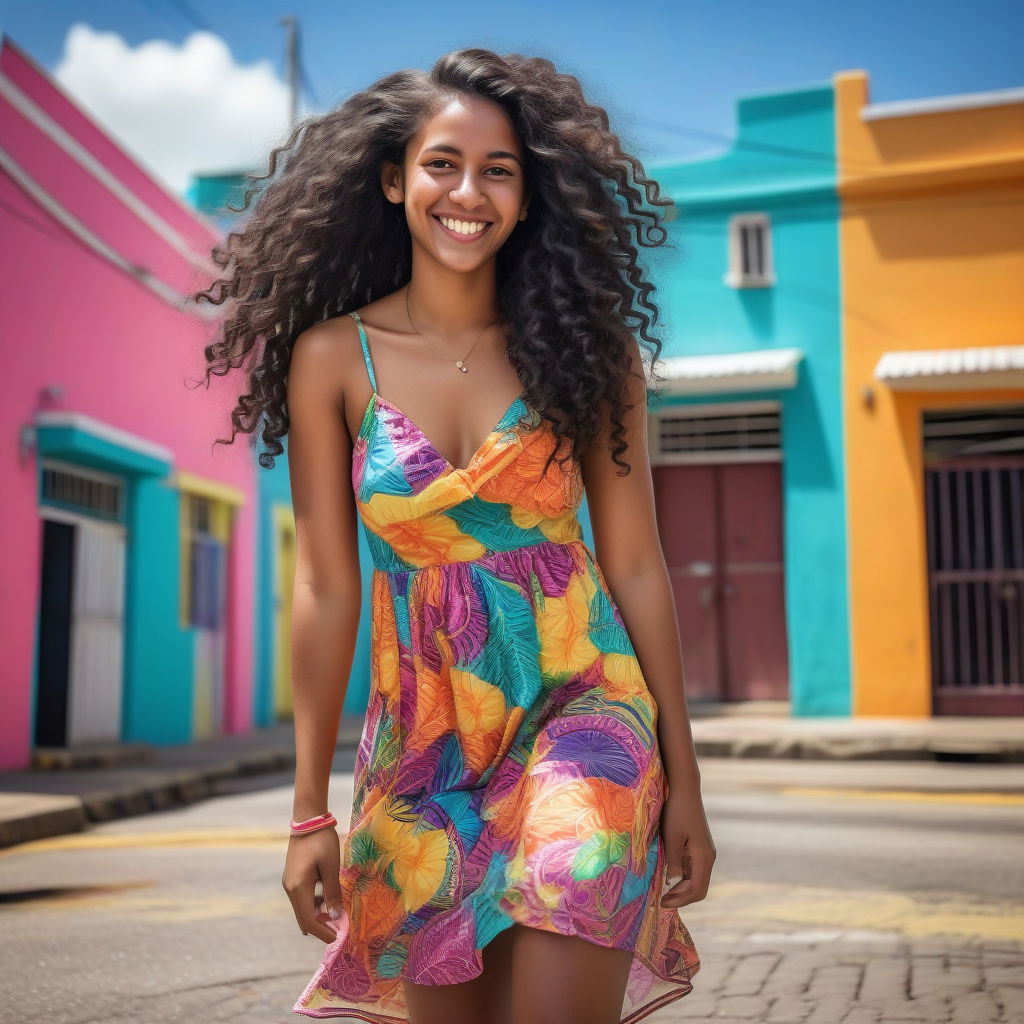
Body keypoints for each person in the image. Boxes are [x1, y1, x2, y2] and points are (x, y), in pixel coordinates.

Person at [195, 46, 715, 1024]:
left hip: (585, 710)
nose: (467, 192)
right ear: (393, 179)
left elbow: (635, 565)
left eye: (499, 170)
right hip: (423, 746)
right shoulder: (329, 359)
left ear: (529, 196)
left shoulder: (591, 356)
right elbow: (324, 587)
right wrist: (310, 809)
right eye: (442, 163)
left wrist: (684, 780)